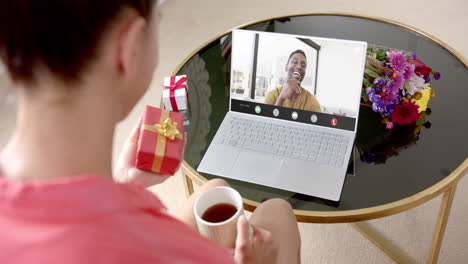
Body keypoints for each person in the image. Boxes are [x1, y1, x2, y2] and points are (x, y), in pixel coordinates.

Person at [0, 1, 301, 264]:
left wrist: (119, 185)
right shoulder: (165, 253)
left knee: (213, 189)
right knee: (277, 214)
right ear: (128, 49)